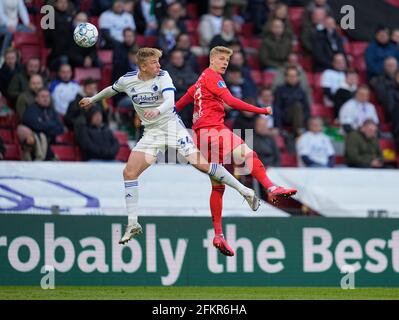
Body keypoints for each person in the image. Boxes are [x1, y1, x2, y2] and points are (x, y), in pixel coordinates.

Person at [79, 47, 260, 249]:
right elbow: (111, 90)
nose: (159, 65)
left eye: (159, 62)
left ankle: (245, 191)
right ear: (144, 66)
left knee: (203, 166)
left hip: (172, 128)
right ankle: (132, 223)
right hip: (152, 133)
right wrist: (92, 99)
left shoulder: (163, 76)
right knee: (129, 172)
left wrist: (157, 110)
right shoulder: (128, 80)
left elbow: (171, 101)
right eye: (155, 62)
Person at [175, 46, 297, 256]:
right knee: (249, 154)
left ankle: (218, 234)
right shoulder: (213, 77)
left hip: (202, 136)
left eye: (227, 61)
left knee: (217, 186)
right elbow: (231, 101)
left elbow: (181, 102)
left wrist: (165, 113)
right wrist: (261, 111)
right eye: (221, 59)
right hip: (214, 131)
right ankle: (270, 187)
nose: (225, 63)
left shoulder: (199, 81)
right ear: (212, 60)